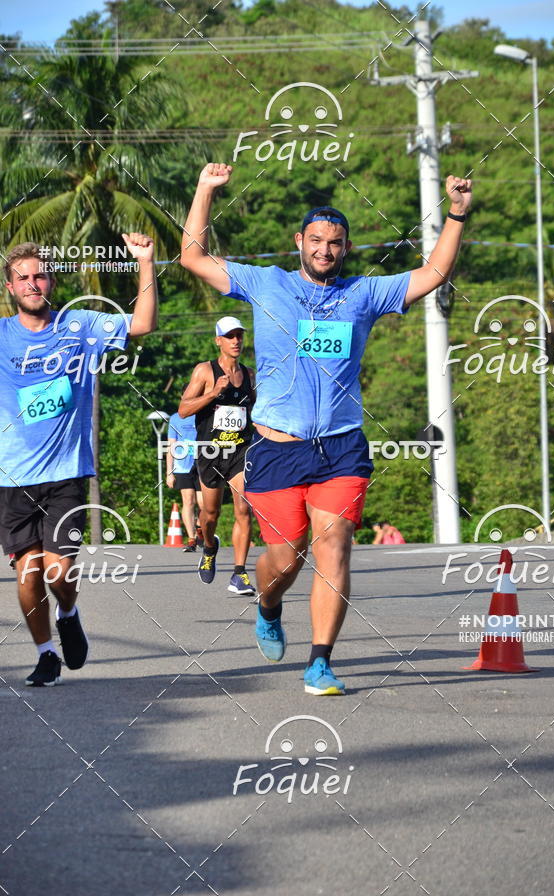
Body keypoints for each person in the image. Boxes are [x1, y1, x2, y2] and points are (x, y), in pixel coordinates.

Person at [181, 162, 472, 695]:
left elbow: (433, 274)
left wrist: (456, 213)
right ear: (299, 242)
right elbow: (193, 257)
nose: (325, 250)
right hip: (275, 449)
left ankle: (320, 661)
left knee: (334, 544)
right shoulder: (267, 284)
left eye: (335, 243)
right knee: (284, 560)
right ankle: (268, 606)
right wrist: (205, 190)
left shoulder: (363, 294)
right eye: (316, 240)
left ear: (347, 247)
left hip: (340, 448)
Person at [0, 235, 158, 686]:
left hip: (66, 472)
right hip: (12, 477)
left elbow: (143, 323)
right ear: (10, 287)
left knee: (58, 571)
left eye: (39, 275)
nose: (33, 283)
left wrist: (145, 262)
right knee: (29, 574)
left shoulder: (80, 326)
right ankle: (46, 653)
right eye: (22, 278)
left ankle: (67, 611)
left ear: (51, 280)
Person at [178, 316, 256, 595]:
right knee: (209, 515)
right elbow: (184, 410)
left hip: (240, 451)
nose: (236, 341)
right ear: (218, 341)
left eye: (239, 335)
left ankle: (239, 574)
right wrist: (213, 393)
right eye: (230, 336)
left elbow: (254, 414)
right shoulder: (204, 371)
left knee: (243, 509)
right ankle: (209, 546)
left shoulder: (248, 375)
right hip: (210, 452)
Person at [166, 411, 204, 551]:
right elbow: (171, 446)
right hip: (182, 466)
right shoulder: (175, 418)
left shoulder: (204, 414)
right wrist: (169, 472)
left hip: (202, 463)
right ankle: (191, 539)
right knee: (188, 501)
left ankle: (199, 528)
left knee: (203, 504)